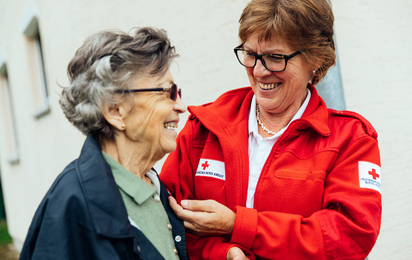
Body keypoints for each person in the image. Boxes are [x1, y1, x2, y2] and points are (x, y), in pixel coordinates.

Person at [160, 0, 381, 259]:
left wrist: (239, 226)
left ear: (316, 58)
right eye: (251, 54)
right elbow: (166, 221)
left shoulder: (351, 139)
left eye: (276, 58)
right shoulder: (206, 126)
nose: (259, 71)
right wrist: (224, 253)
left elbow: (348, 237)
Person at [19, 27, 189, 260]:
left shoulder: (156, 187)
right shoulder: (72, 204)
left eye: (177, 92)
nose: (181, 106)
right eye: (166, 92)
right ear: (115, 111)